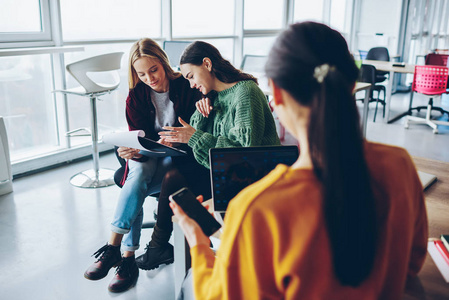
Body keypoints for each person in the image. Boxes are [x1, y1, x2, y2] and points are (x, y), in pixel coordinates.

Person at [171, 22, 428, 299]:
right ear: (352, 84)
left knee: (190, 283)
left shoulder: (257, 207)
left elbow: (220, 295)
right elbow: (412, 263)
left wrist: (198, 242)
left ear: (277, 96)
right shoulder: (400, 166)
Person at [134, 41, 280, 270]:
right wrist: (201, 117)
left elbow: (243, 154)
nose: (190, 84)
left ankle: (190, 247)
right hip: (227, 176)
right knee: (175, 181)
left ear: (207, 64)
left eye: (191, 76)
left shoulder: (245, 92)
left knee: (175, 182)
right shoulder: (215, 97)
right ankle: (185, 248)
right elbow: (204, 155)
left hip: (251, 180)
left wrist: (193, 136)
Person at [83, 38, 201, 293]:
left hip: (178, 154)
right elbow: (138, 136)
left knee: (135, 185)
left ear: (163, 62)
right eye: (141, 73)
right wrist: (133, 151)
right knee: (137, 177)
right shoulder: (136, 95)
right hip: (148, 155)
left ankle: (122, 256)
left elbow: (197, 129)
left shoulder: (187, 85)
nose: (149, 78)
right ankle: (119, 251)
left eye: (154, 70)